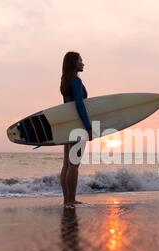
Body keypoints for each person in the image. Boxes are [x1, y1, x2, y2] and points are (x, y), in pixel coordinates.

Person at [60, 51, 93, 208]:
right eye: (80, 60)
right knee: (74, 164)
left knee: (67, 164)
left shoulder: (65, 82)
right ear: (74, 63)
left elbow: (67, 107)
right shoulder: (76, 81)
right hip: (77, 126)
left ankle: (67, 200)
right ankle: (71, 200)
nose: (83, 63)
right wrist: (87, 126)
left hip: (67, 126)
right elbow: (80, 105)